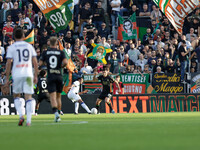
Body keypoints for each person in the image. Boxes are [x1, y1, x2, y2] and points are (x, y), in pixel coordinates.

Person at [5, 28, 38, 126]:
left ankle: (21, 115)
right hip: (28, 73)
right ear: (23, 36)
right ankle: (29, 121)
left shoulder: (11, 47)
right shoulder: (29, 46)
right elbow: (35, 62)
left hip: (17, 74)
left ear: (14, 36)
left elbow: (8, 63)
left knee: (16, 95)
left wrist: (7, 78)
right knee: (28, 96)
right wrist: (36, 75)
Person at [39, 36, 68, 122]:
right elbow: (66, 62)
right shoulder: (61, 52)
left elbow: (40, 63)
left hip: (51, 76)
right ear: (56, 43)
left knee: (52, 97)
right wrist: (61, 67)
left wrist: (46, 64)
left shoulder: (45, 52)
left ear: (49, 43)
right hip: (59, 75)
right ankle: (59, 113)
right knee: (59, 97)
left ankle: (56, 114)